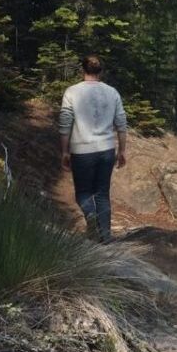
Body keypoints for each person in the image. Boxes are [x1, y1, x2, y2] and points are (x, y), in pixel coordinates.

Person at [59, 55, 128, 243]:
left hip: (82, 150)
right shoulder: (112, 92)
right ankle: (105, 237)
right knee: (102, 194)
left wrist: (64, 151)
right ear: (101, 71)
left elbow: (65, 124)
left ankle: (90, 216)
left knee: (83, 193)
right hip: (106, 149)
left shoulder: (72, 92)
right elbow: (121, 124)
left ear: (83, 70)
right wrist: (122, 150)